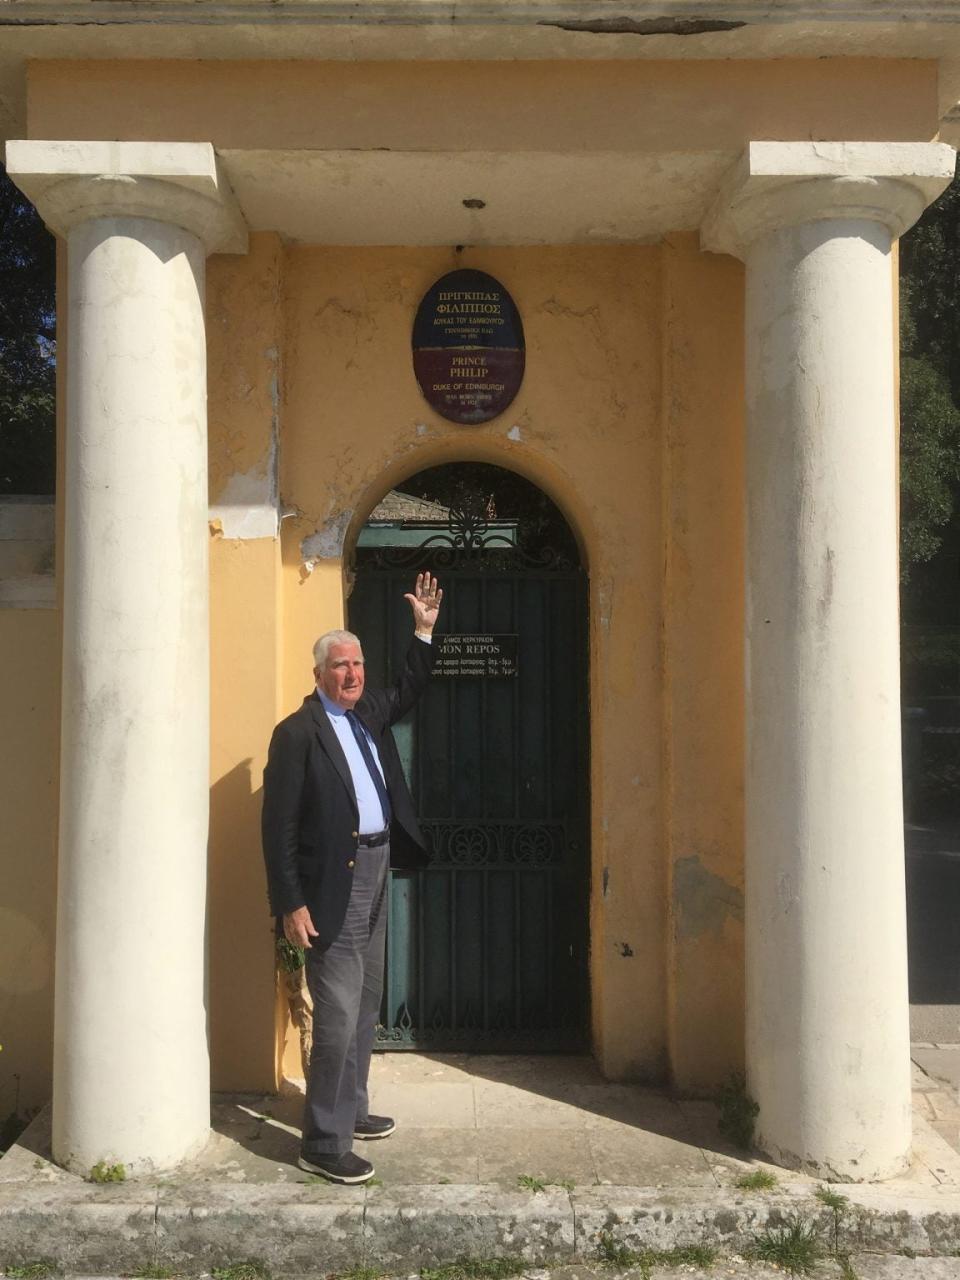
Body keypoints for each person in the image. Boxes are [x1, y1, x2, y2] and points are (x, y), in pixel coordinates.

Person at [261, 572, 442, 1184]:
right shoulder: (296, 734)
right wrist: (290, 902)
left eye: (358, 663)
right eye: (340, 665)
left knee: (365, 1001)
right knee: (336, 1010)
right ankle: (322, 1140)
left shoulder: (367, 713)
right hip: (329, 886)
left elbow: (412, 687)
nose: (352, 673)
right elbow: (278, 827)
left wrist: (423, 630)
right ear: (318, 674)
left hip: (376, 864)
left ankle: (352, 1109)